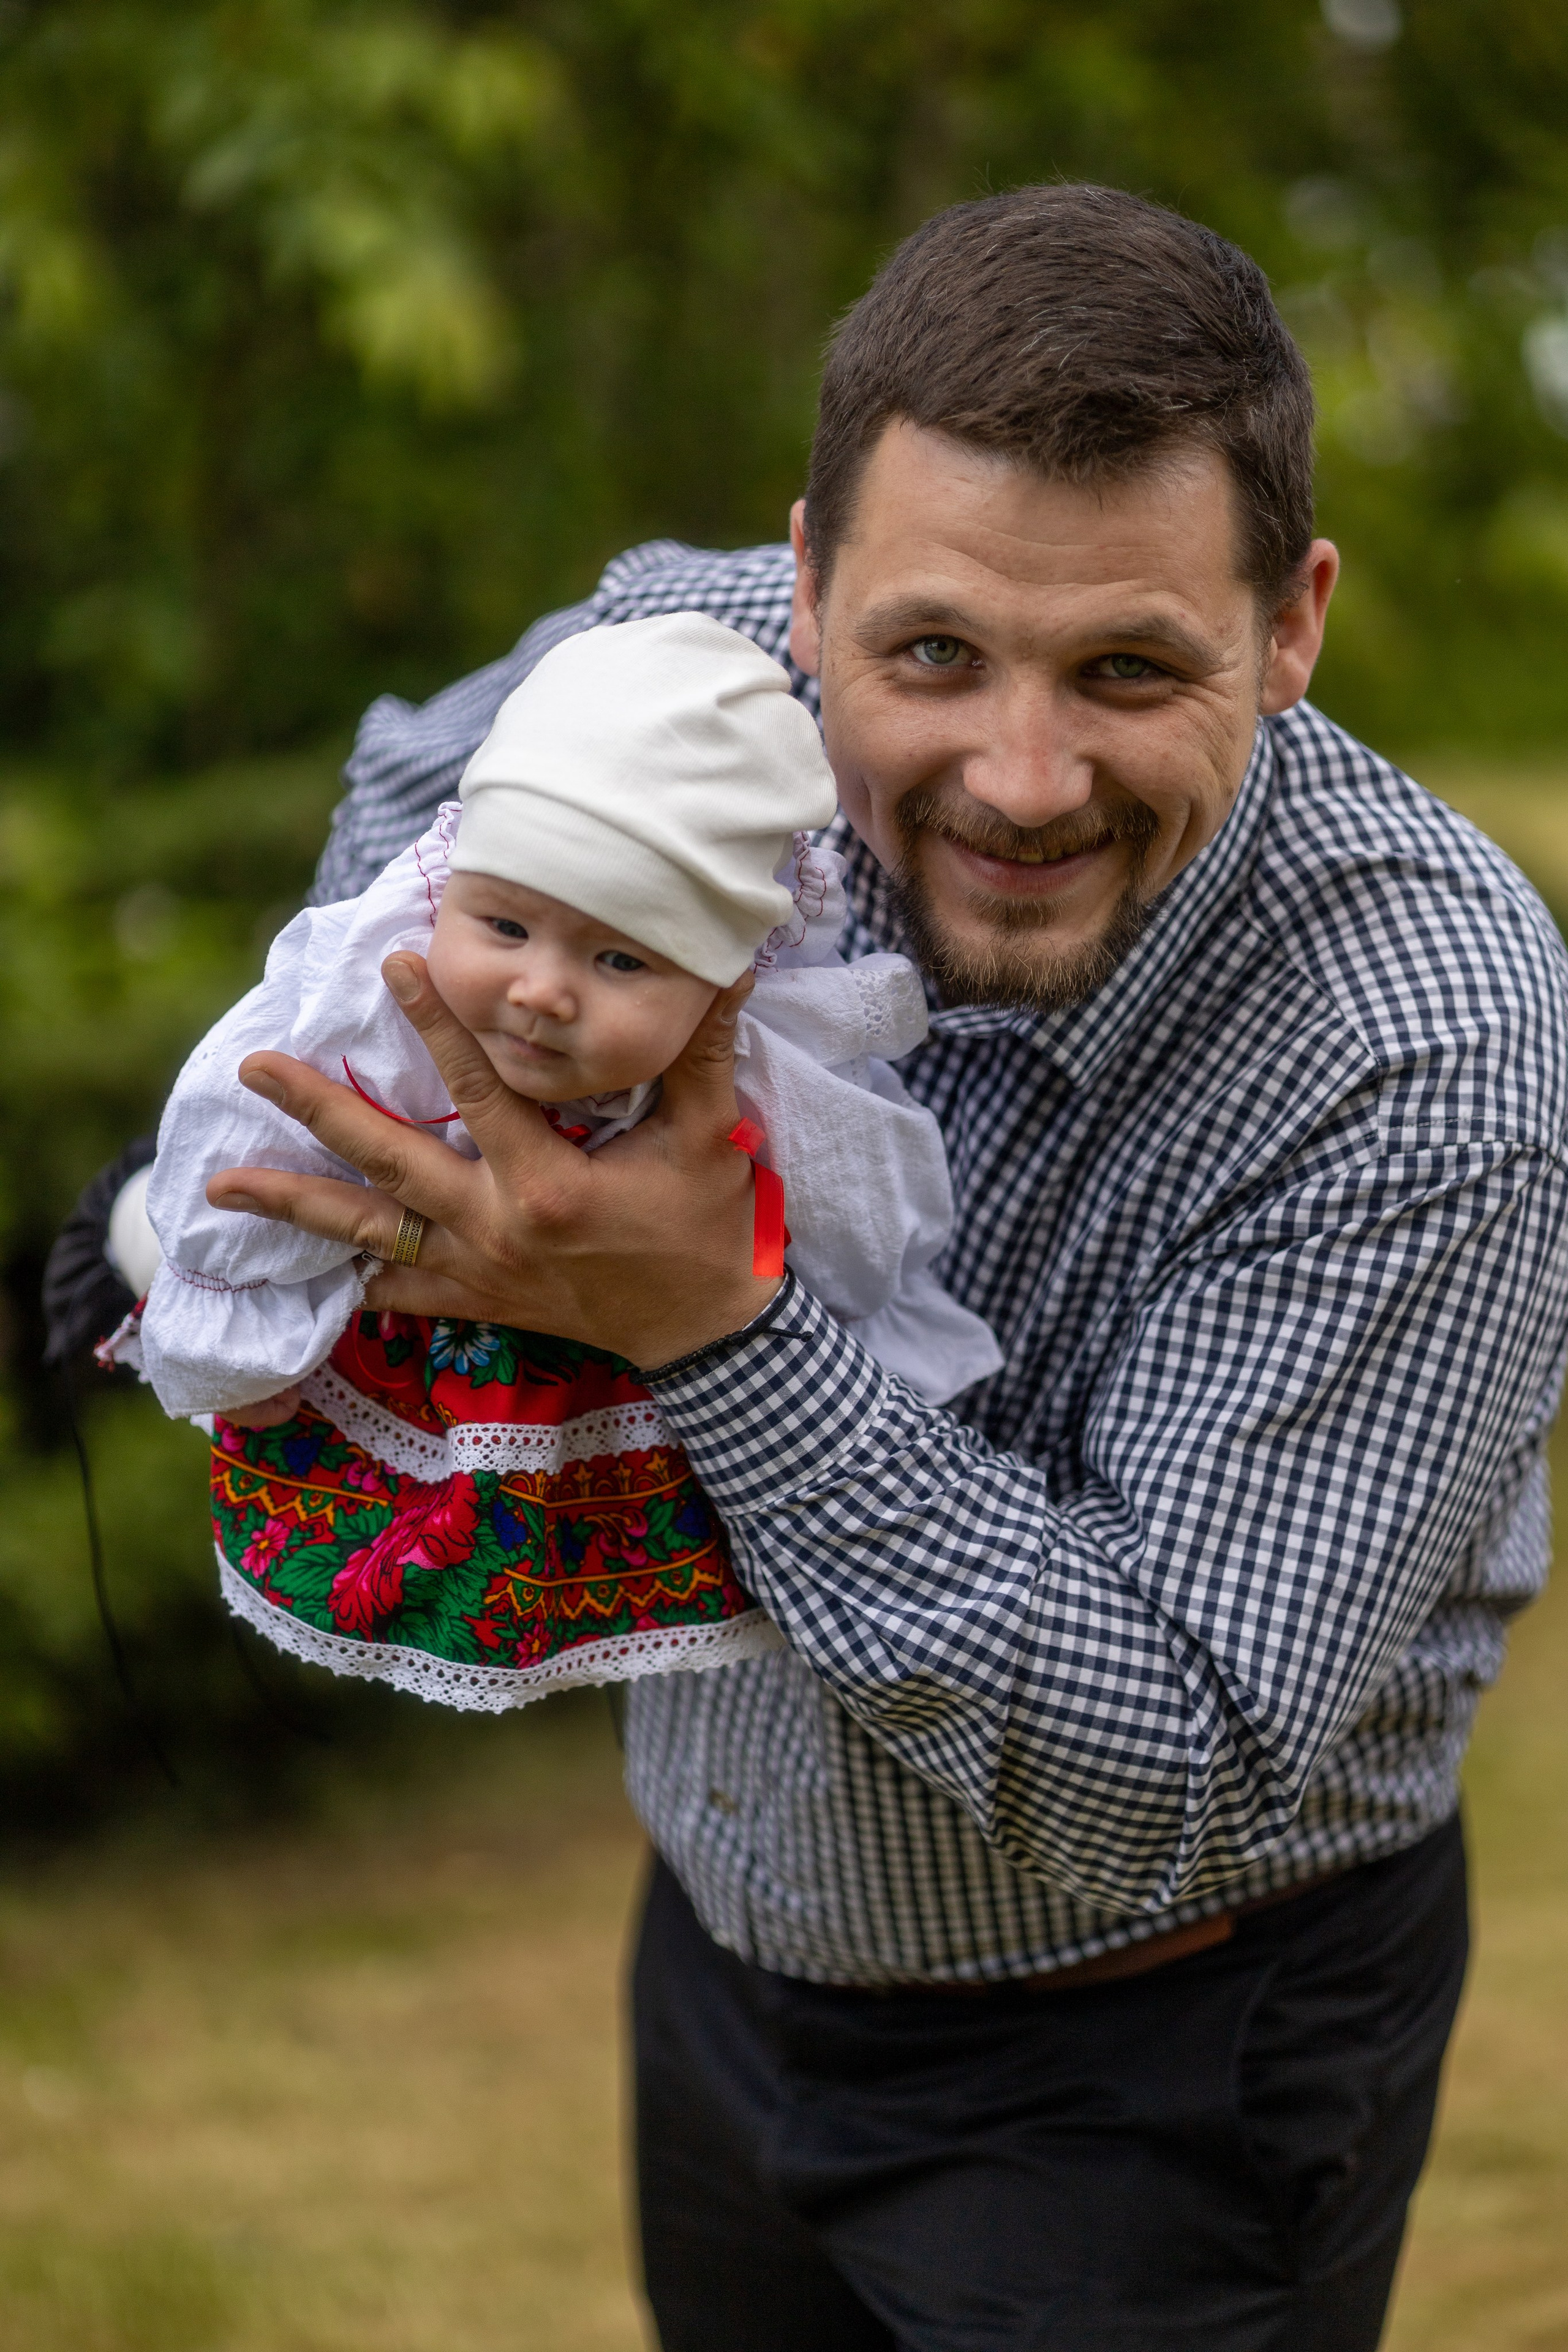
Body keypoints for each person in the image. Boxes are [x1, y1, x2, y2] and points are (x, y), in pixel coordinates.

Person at [52, 183, 1568, 2348]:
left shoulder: (1431, 1040)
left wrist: (696, 1316)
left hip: (1161, 2069)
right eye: (928, 653)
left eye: (1130, 668)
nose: (1018, 778)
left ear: (1297, 620)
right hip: (724, 1930)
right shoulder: (685, 654)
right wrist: (411, 1091)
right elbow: (415, 789)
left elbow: (1176, 1755)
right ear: (806, 581)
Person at [108, 614, 998, 1707]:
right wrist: (228, 1325)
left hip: (639, 1393)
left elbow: (856, 1217)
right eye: (507, 927)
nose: (541, 992)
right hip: (395, 1348)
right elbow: (242, 1135)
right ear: (450, 885)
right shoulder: (380, 993)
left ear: (722, 987)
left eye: (621, 957)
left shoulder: (759, 1076)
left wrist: (751, 1253)